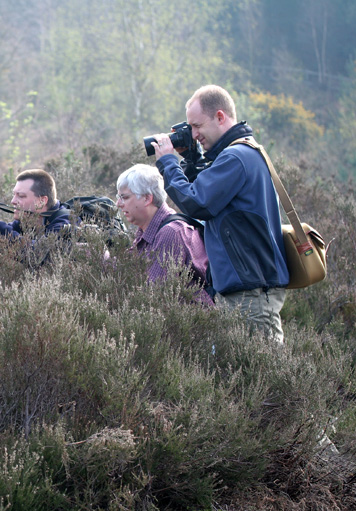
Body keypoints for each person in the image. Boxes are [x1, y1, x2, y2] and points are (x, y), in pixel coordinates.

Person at [152, 84, 289, 342]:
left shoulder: (235, 158)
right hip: (243, 293)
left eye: (197, 126)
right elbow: (207, 198)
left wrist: (169, 163)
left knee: (262, 378)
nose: (193, 135)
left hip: (250, 296)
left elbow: (197, 203)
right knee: (242, 380)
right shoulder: (237, 156)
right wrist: (191, 162)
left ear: (220, 116)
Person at [116, 164, 209, 298]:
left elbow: (153, 294)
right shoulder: (147, 230)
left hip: (190, 317)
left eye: (124, 197)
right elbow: (129, 269)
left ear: (147, 198)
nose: (118, 203)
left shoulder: (171, 232)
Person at [0, 169, 72, 255]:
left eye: (21, 196)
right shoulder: (28, 221)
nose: (13, 201)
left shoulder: (66, 222)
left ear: (41, 201)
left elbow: (37, 253)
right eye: (14, 194)